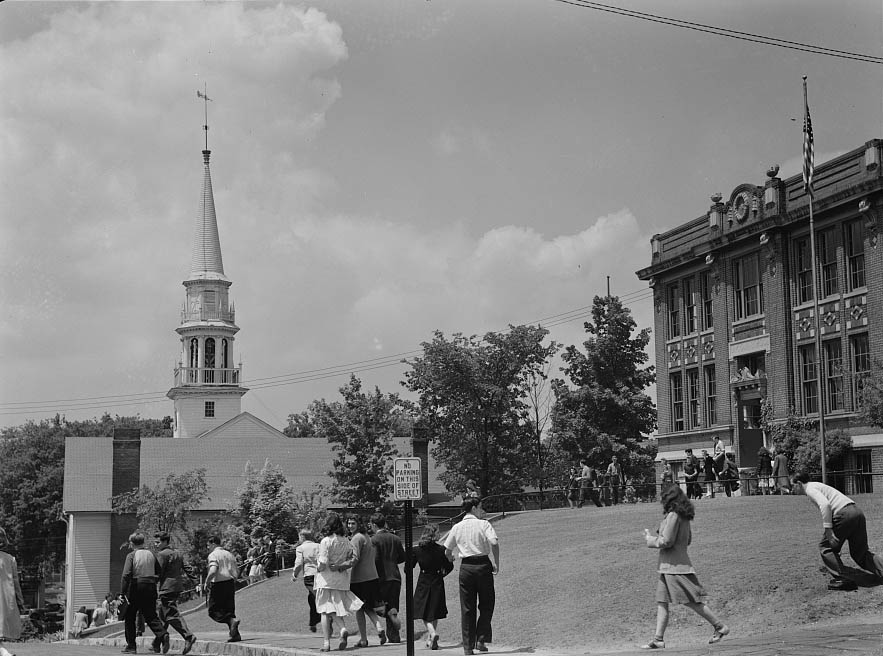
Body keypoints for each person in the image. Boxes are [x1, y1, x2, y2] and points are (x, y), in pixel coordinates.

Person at [640, 486, 729, 649]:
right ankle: (658, 639)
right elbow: (687, 540)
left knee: (691, 601)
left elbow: (666, 541)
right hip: (668, 567)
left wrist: (650, 539)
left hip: (674, 567)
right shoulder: (684, 516)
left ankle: (720, 626)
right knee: (662, 601)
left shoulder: (674, 515)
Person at [790, 472, 883, 590]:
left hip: (843, 514)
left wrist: (828, 529)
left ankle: (842, 579)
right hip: (856, 512)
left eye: (792, 486)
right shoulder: (817, 485)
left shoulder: (810, 489)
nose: (792, 489)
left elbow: (825, 505)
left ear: (798, 483)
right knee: (861, 553)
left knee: (826, 547)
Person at [443, 498, 499, 656]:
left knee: (467, 608)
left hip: (466, 567)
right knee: (487, 603)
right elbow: (494, 542)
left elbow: (447, 549)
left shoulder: (457, 527)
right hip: (482, 565)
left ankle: (468, 647)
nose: (481, 510)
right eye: (480, 507)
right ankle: (481, 638)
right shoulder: (484, 524)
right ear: (474, 508)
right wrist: (497, 563)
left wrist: (451, 558)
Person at [315, 512, 361, 652]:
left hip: (326, 579)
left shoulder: (326, 541)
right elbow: (350, 557)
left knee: (324, 610)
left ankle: (326, 642)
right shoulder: (346, 540)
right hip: (341, 579)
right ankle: (342, 629)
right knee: (334, 608)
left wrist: (317, 567)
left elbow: (323, 562)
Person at [120, 531, 168, 654]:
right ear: (143, 542)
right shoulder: (151, 554)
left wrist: (123, 592)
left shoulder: (131, 555)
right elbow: (159, 571)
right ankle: (162, 634)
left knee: (130, 616)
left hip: (137, 586)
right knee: (150, 615)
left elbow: (126, 575)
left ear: (131, 543)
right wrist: (154, 581)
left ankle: (131, 645)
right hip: (151, 586)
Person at [411, 524, 454, 650]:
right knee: (434, 611)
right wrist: (444, 571)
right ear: (433, 534)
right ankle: (432, 636)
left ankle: (432, 635)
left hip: (424, 581)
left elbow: (409, 566)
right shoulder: (441, 549)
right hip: (437, 581)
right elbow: (449, 567)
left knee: (423, 611)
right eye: (438, 532)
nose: (440, 535)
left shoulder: (417, 550)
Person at [154, 532, 197, 655]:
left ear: (165, 542)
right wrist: (195, 581)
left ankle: (188, 636)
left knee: (171, 615)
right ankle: (157, 643)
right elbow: (187, 567)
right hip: (177, 586)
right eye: (155, 542)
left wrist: (149, 585)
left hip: (166, 588)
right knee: (163, 616)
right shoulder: (177, 553)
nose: (156, 544)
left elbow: (158, 573)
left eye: (158, 542)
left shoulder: (162, 555)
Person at [346, 515, 386, 647]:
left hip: (360, 579)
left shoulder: (357, 538)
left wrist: (342, 566)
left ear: (359, 524)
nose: (350, 526)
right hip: (372, 577)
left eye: (353, 523)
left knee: (359, 608)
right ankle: (379, 627)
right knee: (367, 606)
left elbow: (355, 558)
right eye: (349, 523)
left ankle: (363, 640)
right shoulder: (367, 537)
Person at [371, 513, 405, 643]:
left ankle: (387, 624)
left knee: (379, 606)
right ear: (384, 523)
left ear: (374, 525)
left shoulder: (374, 539)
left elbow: (375, 559)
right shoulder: (395, 538)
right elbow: (403, 557)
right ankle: (394, 636)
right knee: (393, 604)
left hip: (381, 577)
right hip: (395, 576)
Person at [204, 535, 241, 643]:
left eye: (208, 545)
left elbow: (213, 570)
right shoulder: (229, 554)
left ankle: (231, 621)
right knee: (229, 609)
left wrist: (207, 582)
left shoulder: (213, 555)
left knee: (213, 611)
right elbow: (236, 570)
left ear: (213, 543)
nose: (208, 547)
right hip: (230, 583)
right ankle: (235, 635)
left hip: (218, 584)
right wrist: (234, 578)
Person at [0, 527, 24, 656]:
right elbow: (16, 583)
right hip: (5, 600)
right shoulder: (10, 559)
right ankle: (5, 654)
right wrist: (20, 601)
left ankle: (5, 654)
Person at [292, 529, 321, 633]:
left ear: (302, 537)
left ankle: (329, 616)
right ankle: (313, 622)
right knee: (312, 598)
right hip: (319, 575)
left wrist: (294, 574)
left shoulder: (300, 548)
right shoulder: (318, 546)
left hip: (309, 576)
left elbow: (299, 563)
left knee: (318, 598)